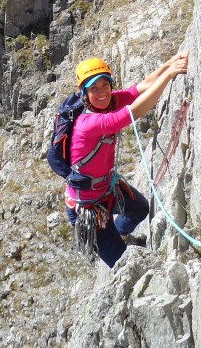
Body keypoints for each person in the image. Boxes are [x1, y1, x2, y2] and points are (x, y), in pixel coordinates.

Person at [66, 51, 189, 268]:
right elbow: (134, 112)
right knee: (123, 264)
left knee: (139, 208)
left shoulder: (108, 102)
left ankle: (120, 233)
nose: (102, 92)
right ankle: (115, 242)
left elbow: (141, 87)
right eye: (94, 88)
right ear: (84, 93)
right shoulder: (88, 123)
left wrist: (169, 63)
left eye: (105, 85)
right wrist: (169, 75)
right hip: (89, 209)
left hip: (105, 190)